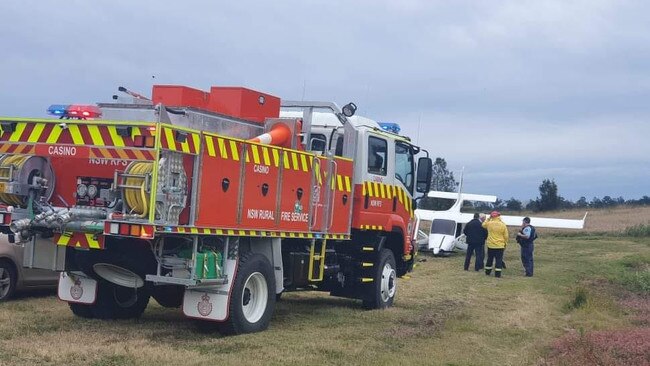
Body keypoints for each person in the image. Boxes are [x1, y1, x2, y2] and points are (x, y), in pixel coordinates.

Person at [482, 211, 509, 278]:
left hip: (491, 245)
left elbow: (483, 225)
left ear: (492, 216)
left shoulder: (489, 223)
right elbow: (506, 236)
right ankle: (497, 274)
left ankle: (487, 272)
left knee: (490, 259)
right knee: (499, 260)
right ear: (498, 216)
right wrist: (505, 243)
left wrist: (488, 218)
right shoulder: (503, 224)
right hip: (500, 245)